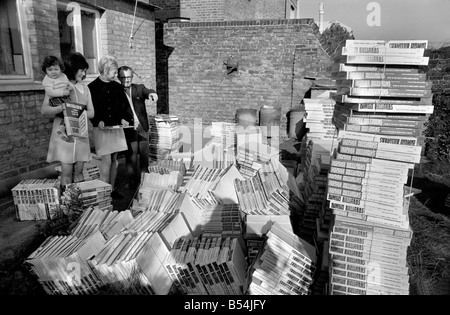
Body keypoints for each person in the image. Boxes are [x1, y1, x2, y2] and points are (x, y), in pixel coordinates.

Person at [41, 52, 95, 188]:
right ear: (72, 68)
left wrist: (76, 114)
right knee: (66, 172)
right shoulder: (58, 86)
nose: (83, 74)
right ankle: (67, 206)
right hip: (64, 134)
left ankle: (79, 205)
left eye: (85, 71)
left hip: (81, 133)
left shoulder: (85, 88)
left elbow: (92, 113)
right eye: (81, 70)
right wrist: (63, 108)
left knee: (79, 171)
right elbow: (45, 110)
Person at [88, 55, 134, 199]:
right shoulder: (92, 87)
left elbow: (124, 107)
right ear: (105, 70)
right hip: (101, 129)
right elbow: (90, 108)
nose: (116, 75)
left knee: (114, 160)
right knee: (106, 160)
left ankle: (112, 190)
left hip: (116, 128)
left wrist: (125, 119)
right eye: (114, 72)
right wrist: (97, 120)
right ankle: (103, 193)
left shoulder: (117, 86)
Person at [118, 65, 158, 189]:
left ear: (132, 76)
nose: (127, 80)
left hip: (142, 126)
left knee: (144, 155)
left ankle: (145, 182)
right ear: (119, 78)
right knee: (132, 156)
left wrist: (153, 94)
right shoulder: (116, 91)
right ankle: (132, 184)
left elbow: (148, 91)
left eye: (129, 77)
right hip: (129, 128)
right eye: (123, 77)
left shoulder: (138, 88)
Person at [41, 55, 73, 139]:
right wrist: (63, 92)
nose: (53, 72)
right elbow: (50, 93)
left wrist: (70, 86)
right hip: (55, 99)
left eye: (56, 69)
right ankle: (62, 129)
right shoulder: (47, 80)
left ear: (61, 69)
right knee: (66, 112)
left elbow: (68, 82)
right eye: (50, 70)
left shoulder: (63, 76)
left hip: (65, 98)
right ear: (45, 70)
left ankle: (67, 129)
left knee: (71, 112)